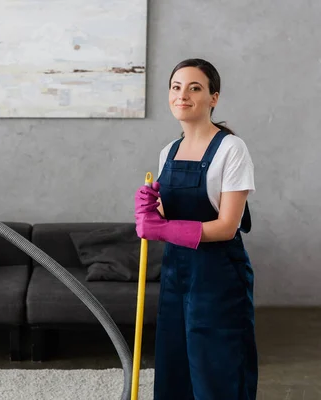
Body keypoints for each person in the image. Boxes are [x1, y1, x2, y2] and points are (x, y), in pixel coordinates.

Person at [134, 58, 258, 399]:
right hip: (177, 274)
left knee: (218, 370)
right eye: (176, 87)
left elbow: (227, 226)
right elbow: (163, 214)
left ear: (213, 98)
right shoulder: (168, 152)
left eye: (194, 88)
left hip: (218, 276)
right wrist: (148, 209)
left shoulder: (232, 149)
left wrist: (162, 230)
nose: (182, 95)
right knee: (175, 369)